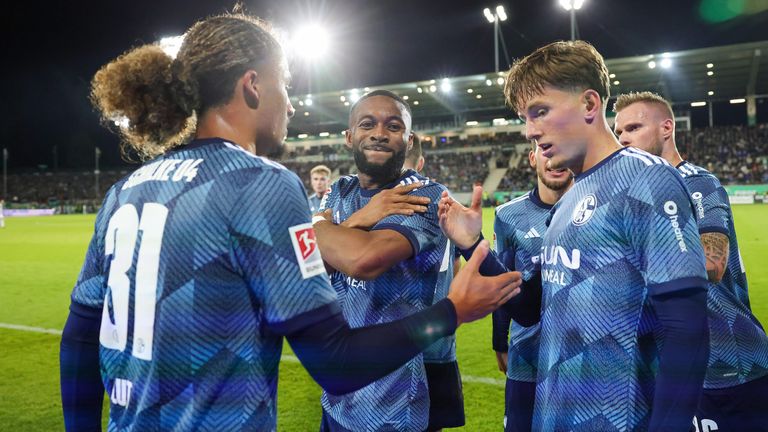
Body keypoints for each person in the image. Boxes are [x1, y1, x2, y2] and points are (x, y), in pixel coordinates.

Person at [58, 13, 522, 432]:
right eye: (286, 85)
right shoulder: (260, 183)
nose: (292, 105)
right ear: (254, 85)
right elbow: (335, 364)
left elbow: (79, 337)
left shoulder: (128, 188)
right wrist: (453, 311)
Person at [438, 40, 709, 431]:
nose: (531, 130)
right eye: (525, 117)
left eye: (540, 111)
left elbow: (688, 330)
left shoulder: (646, 179)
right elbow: (533, 309)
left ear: (589, 104)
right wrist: (473, 243)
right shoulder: (573, 195)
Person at [614, 91, 768, 431]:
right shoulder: (640, 193)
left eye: (634, 127)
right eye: (619, 131)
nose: (623, 138)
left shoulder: (697, 182)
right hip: (683, 361)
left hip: (729, 360)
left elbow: (713, 264)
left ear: (667, 127)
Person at [313, 91, 464, 431]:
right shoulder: (341, 189)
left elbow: (365, 259)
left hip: (394, 398)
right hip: (339, 388)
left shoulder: (423, 194)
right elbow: (307, 264)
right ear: (350, 136)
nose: (379, 132)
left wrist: (319, 226)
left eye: (393, 126)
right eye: (367, 124)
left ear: (409, 141)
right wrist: (358, 220)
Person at [492, 142, 572, 432]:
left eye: (560, 150)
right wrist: (500, 340)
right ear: (532, 158)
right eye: (545, 150)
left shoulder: (600, 208)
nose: (554, 159)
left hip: (581, 359)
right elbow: (502, 279)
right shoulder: (507, 215)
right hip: (527, 353)